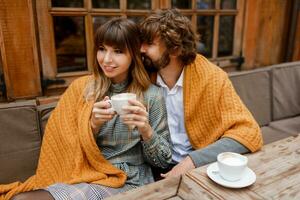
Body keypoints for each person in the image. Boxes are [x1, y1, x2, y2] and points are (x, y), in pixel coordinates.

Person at [1, 18, 172, 200]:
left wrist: (146, 130)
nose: (106, 59)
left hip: (128, 180)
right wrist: (92, 125)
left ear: (134, 55)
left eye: (118, 51)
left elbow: (163, 161)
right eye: (101, 49)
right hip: (86, 171)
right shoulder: (82, 89)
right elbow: (63, 142)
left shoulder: (152, 96)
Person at [139, 9, 263, 179]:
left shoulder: (212, 77)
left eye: (149, 44)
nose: (141, 49)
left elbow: (249, 132)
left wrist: (191, 161)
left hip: (200, 167)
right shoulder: (143, 75)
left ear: (175, 50)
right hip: (153, 164)